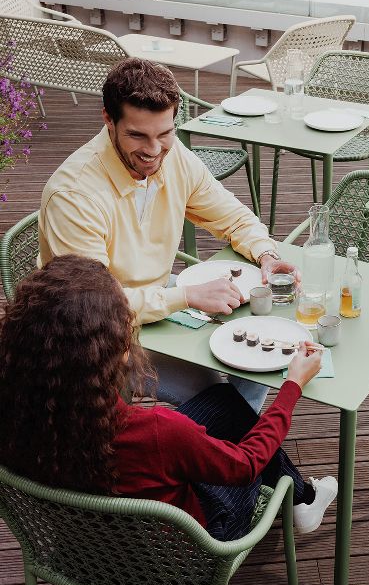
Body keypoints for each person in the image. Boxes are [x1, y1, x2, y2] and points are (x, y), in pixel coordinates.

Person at [0, 256, 337, 585]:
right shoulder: (157, 432)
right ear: (113, 351)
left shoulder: (18, 416)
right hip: (185, 563)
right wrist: (292, 386)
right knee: (247, 438)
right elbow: (245, 465)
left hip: (85, 556)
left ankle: (303, 499)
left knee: (222, 403)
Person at [38, 56, 298, 411]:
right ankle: (229, 433)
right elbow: (95, 308)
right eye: (137, 135)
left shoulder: (173, 157)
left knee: (259, 342)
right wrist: (186, 297)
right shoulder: (74, 195)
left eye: (165, 133)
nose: (153, 150)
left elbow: (235, 218)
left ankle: (230, 436)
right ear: (108, 120)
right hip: (100, 338)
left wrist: (267, 255)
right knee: (218, 400)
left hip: (157, 300)